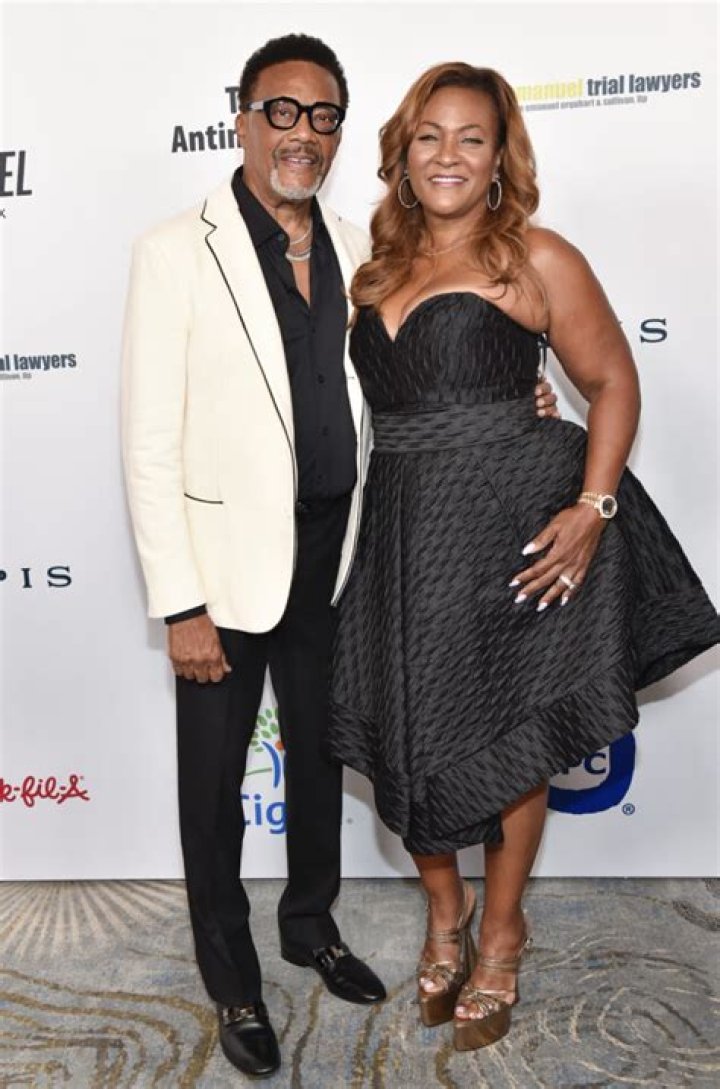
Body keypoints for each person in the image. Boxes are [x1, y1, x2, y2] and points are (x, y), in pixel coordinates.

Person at [121, 33, 561, 1078]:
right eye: (282, 111)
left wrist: (520, 399)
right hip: (225, 567)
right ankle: (232, 976)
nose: (302, 134)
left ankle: (309, 925)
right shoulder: (175, 250)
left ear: (338, 134)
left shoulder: (370, 248)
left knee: (323, 759)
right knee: (212, 784)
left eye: (322, 117)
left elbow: (417, 376)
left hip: (348, 552)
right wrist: (180, 602)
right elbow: (147, 443)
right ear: (243, 118)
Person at [329, 62, 719, 1054]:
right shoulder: (371, 267)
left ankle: (501, 934)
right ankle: (446, 910)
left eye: (472, 138)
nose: (448, 155)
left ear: (501, 157)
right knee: (406, 731)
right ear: (402, 155)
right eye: (429, 136)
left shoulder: (537, 256)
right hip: (404, 536)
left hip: (514, 527)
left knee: (511, 734)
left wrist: (593, 506)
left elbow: (612, 379)